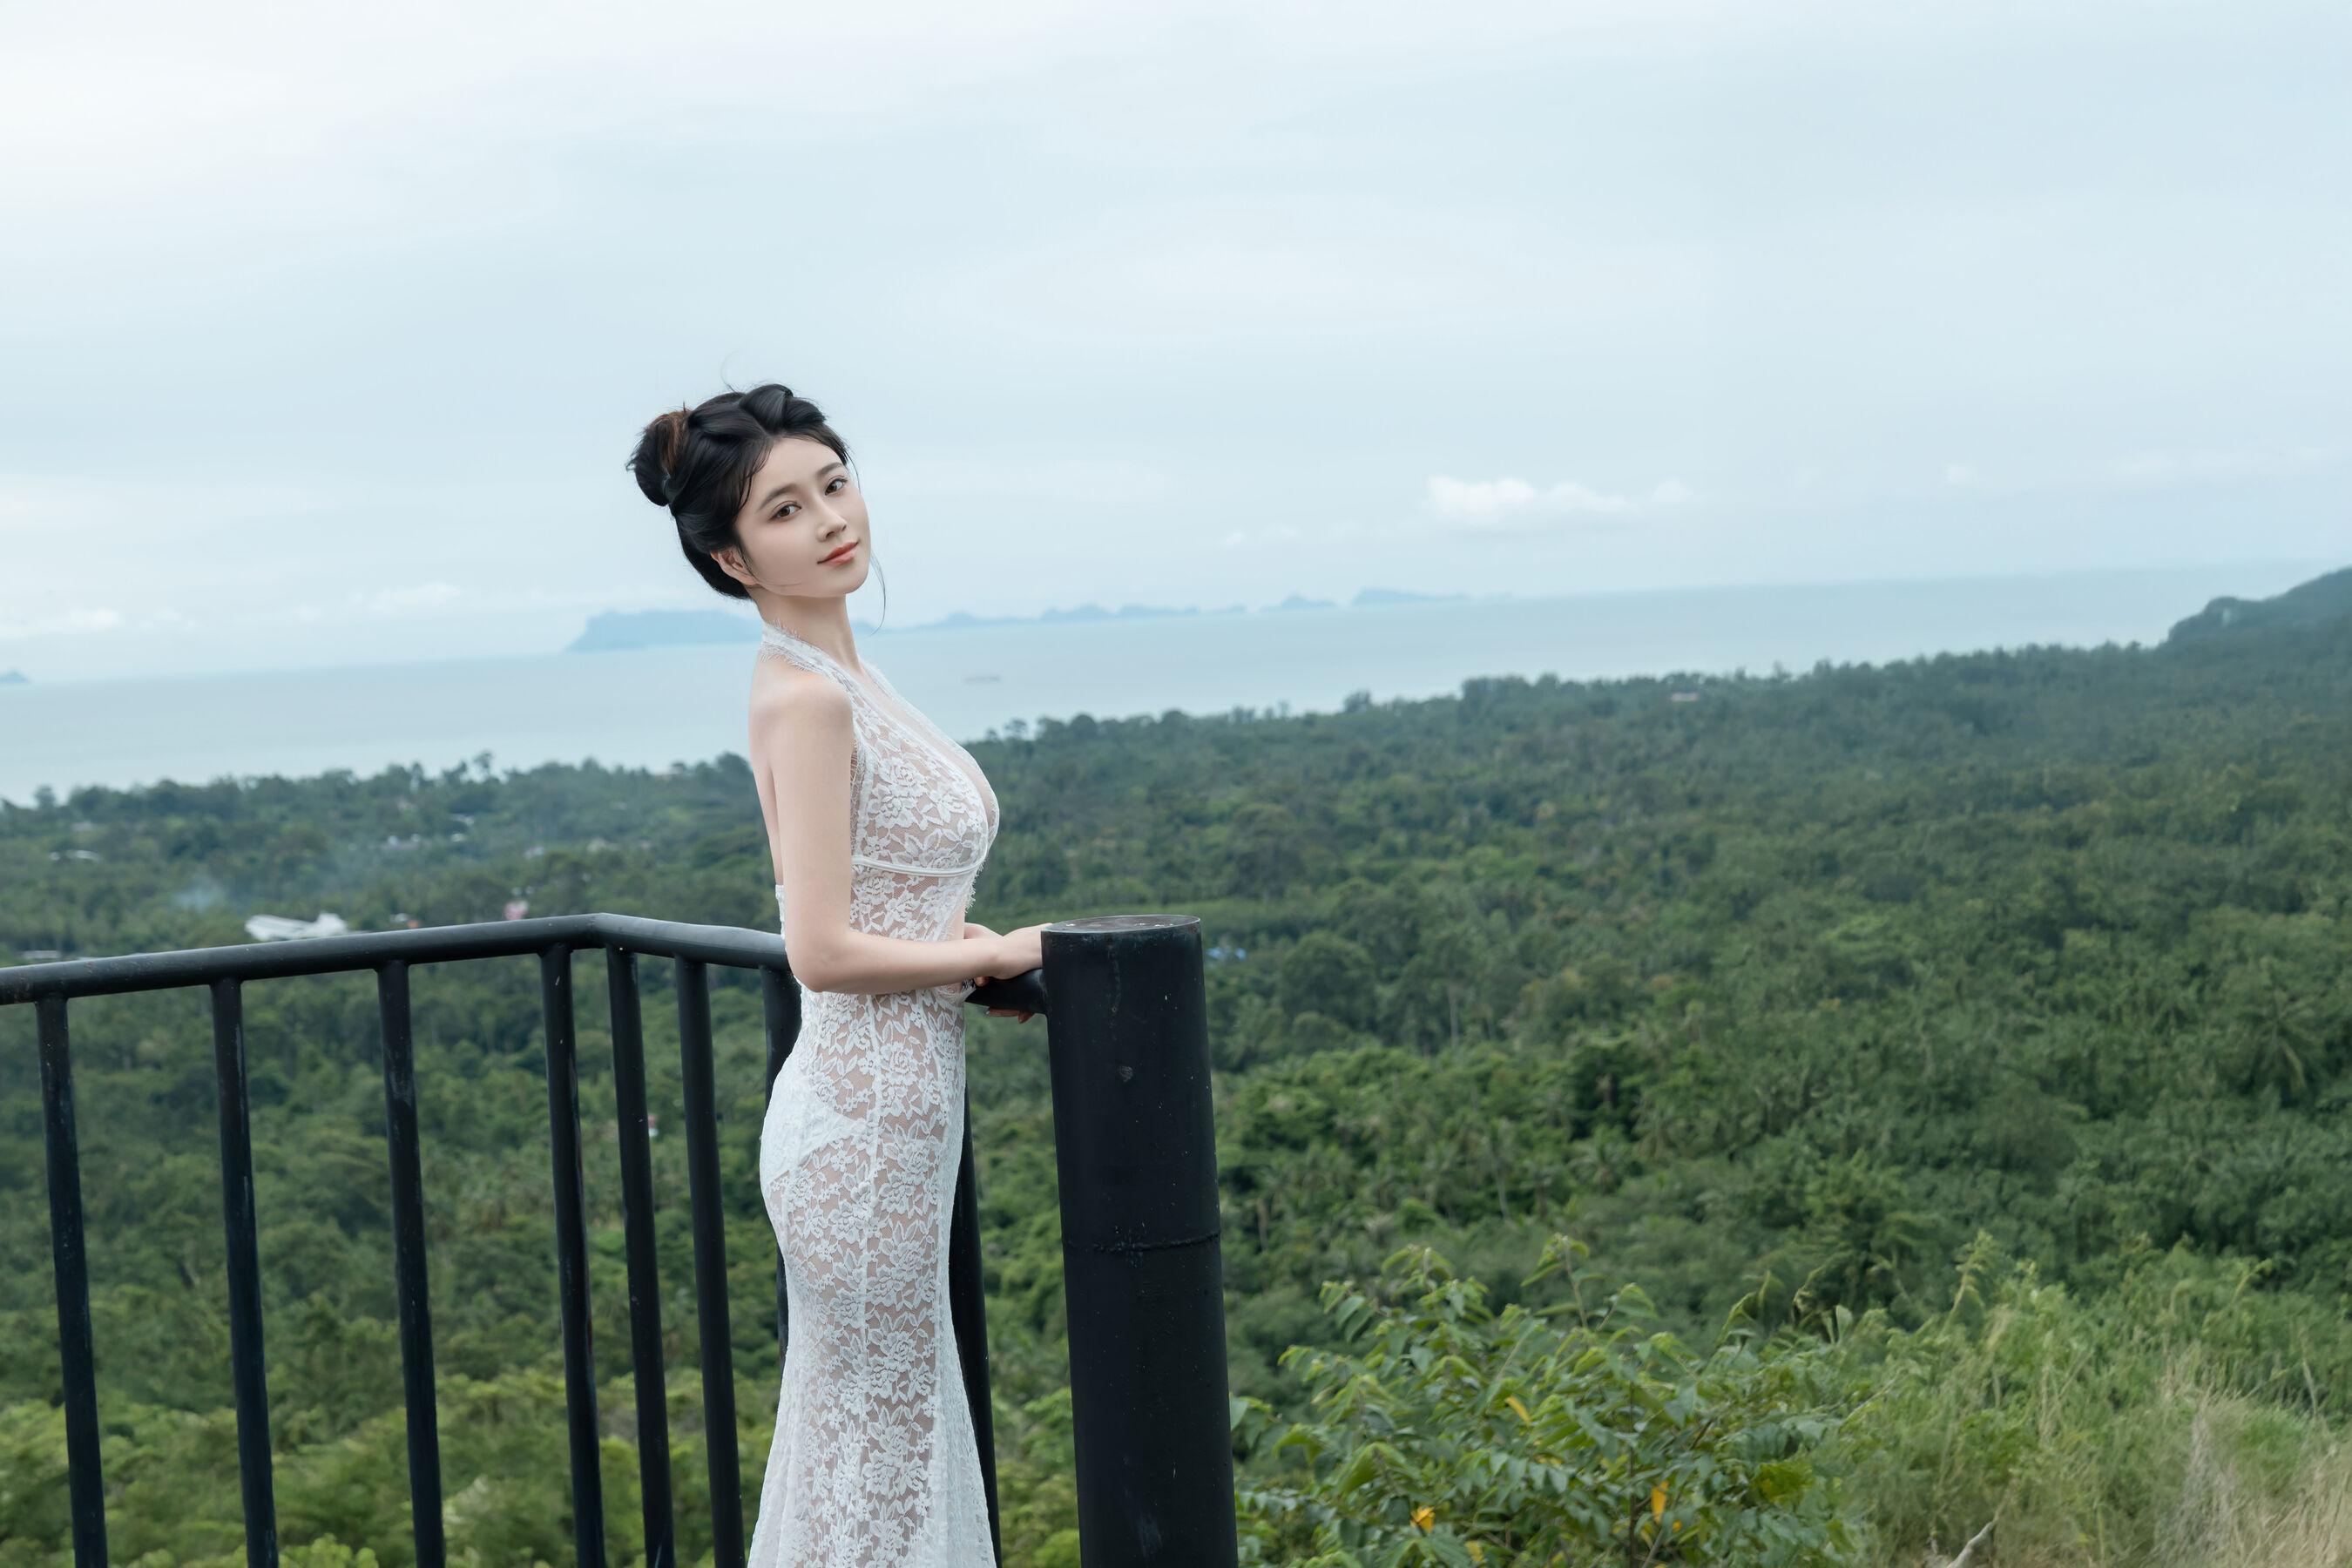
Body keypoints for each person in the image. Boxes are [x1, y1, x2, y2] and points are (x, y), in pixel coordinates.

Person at [628, 382, 1048, 1564]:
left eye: (834, 484)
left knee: (879, 1455)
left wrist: (954, 950)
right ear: (731, 558)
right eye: (784, 510)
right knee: (873, 1466)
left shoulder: (843, 677)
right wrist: (992, 953)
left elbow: (883, 894)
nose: (828, 520)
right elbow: (819, 949)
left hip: (895, 1121)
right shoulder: (807, 699)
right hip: (860, 1134)